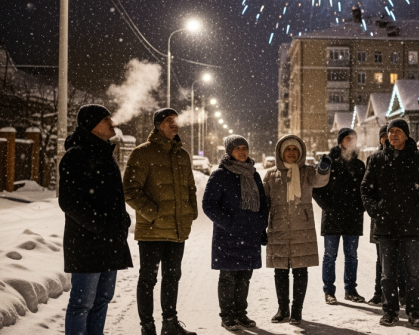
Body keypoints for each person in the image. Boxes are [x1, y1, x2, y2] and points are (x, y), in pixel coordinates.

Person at [59, 105, 133, 335]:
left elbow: (111, 196)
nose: (112, 123)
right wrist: (99, 224)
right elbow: (68, 201)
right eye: (106, 119)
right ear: (92, 125)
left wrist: (122, 219)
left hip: (109, 242)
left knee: (102, 300)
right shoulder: (76, 155)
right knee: (82, 304)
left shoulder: (105, 153)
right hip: (86, 243)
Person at [123, 108, 197, 335]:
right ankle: (147, 327)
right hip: (152, 231)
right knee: (148, 279)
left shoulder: (182, 155)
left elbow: (190, 188)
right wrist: (152, 215)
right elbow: (130, 190)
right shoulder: (142, 153)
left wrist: (190, 212)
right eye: (168, 121)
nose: (174, 124)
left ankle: (170, 324)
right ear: (157, 125)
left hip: (176, 229)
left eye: (176, 121)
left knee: (172, 277)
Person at [361, 119, 419, 328]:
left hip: (411, 227)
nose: (393, 135)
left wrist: (417, 211)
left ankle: (414, 312)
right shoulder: (376, 159)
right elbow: (365, 190)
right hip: (385, 226)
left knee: (413, 274)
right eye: (390, 131)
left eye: (397, 131)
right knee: (388, 274)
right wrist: (375, 212)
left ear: (406, 134)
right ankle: (390, 312)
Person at [202, 135, 270, 331]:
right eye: (238, 148)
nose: (242, 151)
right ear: (229, 151)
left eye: (245, 148)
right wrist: (230, 223)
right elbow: (208, 205)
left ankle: (241, 313)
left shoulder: (253, 174)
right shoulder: (220, 175)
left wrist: (260, 226)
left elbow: (262, 204)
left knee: (244, 276)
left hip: (250, 234)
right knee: (228, 277)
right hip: (228, 235)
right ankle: (227, 316)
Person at [264, 135, 331, 325]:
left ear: (300, 152)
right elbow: (265, 202)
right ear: (280, 152)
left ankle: (297, 311)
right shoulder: (270, 174)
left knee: (300, 271)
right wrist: (261, 226)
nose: (292, 152)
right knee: (280, 271)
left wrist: (324, 169)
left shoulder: (307, 172)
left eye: (295, 149)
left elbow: (320, 180)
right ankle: (282, 309)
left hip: (302, 228)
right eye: (288, 149)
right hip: (278, 229)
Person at [312, 128, 367, 305]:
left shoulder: (359, 165)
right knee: (330, 256)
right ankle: (329, 291)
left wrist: (361, 207)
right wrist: (328, 207)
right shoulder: (328, 162)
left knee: (351, 256)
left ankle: (350, 289)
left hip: (353, 217)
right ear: (340, 141)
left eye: (353, 138)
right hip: (332, 217)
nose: (350, 141)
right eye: (346, 139)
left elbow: (365, 190)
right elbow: (316, 188)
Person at [367, 124, 408, 307]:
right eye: (383, 136)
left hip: (401, 218)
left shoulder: (403, 158)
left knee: (402, 259)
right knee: (381, 260)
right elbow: (367, 188)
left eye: (389, 135)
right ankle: (380, 293)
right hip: (380, 219)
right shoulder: (375, 159)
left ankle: (403, 293)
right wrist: (375, 208)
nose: (387, 139)